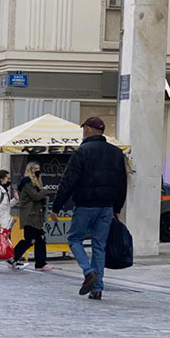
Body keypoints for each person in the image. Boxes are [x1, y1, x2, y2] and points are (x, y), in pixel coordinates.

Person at [51, 117, 127, 300]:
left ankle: (88, 272)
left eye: (84, 129)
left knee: (74, 239)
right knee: (99, 246)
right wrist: (117, 207)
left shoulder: (82, 152)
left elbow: (68, 181)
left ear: (89, 130)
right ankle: (97, 288)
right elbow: (122, 182)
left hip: (85, 205)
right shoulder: (116, 153)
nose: (83, 132)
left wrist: (56, 207)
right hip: (106, 207)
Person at [8, 163, 54, 272]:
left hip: (36, 216)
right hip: (30, 216)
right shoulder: (27, 182)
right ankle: (12, 258)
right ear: (30, 170)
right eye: (35, 169)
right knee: (29, 240)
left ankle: (40, 263)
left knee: (40, 239)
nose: (38, 171)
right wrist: (46, 190)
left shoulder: (36, 182)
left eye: (39, 168)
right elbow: (35, 196)